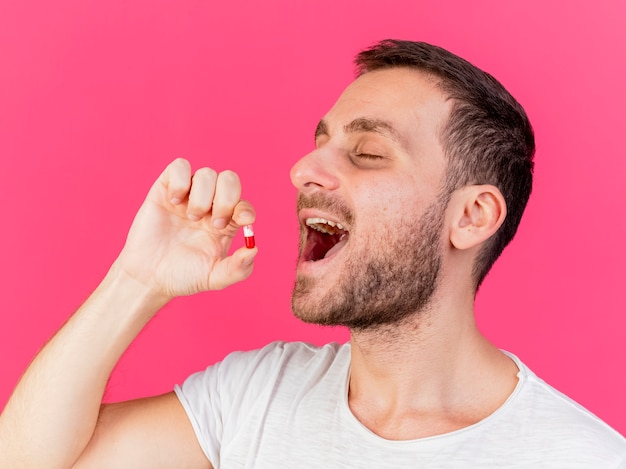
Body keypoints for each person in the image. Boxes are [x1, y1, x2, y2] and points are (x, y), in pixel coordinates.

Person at [0, 39, 624, 469]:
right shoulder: (257, 397)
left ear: (471, 217)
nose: (303, 170)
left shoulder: (579, 456)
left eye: (369, 153)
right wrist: (139, 279)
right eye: (317, 144)